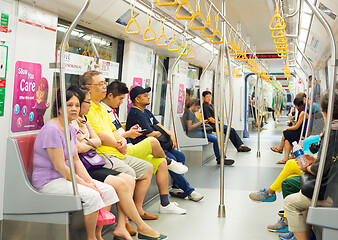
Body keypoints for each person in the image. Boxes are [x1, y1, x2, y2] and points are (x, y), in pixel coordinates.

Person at [82, 71, 187, 217]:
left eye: (104, 83)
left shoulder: (107, 110)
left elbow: (114, 131)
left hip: (122, 146)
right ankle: (128, 219)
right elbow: (101, 136)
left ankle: (162, 203)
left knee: (160, 162)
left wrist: (123, 139)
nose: (104, 87)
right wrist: (122, 141)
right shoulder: (91, 109)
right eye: (100, 84)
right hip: (111, 151)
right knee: (152, 141)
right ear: (89, 87)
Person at [69, 85, 167, 240]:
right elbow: (80, 147)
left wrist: (89, 143)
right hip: (89, 163)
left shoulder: (86, 118)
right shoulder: (70, 124)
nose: (85, 105)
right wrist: (92, 143)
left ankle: (122, 225)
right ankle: (138, 226)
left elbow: (96, 141)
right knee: (129, 174)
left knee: (130, 177)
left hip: (95, 159)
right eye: (84, 102)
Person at [32, 89, 118, 240]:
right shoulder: (52, 130)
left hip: (65, 177)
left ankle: (98, 235)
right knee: (92, 196)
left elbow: (75, 160)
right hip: (49, 180)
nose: (74, 108)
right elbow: (59, 166)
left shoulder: (71, 128)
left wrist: (89, 181)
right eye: (69, 105)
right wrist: (84, 184)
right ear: (59, 108)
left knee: (108, 191)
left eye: (77, 105)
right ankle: (90, 237)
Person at [126, 86, 204, 202]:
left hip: (158, 144)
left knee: (180, 156)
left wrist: (171, 135)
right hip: (145, 146)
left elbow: (159, 126)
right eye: (145, 96)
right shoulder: (136, 113)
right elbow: (151, 134)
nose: (148, 97)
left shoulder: (146, 111)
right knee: (171, 157)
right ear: (137, 99)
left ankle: (176, 188)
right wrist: (160, 133)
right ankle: (189, 191)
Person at [284, 90, 338, 240]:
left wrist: (307, 166)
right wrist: (314, 160)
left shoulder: (332, 133)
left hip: (332, 194)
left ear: (327, 112)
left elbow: (317, 170)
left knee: (290, 202)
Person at [181, 98, 234, 165]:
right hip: (193, 134)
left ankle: (223, 157)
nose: (197, 110)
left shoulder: (191, 113)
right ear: (193, 105)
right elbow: (190, 128)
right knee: (216, 139)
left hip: (198, 131)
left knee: (218, 138)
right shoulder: (188, 114)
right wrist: (201, 122)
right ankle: (220, 159)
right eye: (197, 108)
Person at [270, 96, 308, 164]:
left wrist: (287, 128)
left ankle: (280, 149)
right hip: (301, 131)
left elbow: (296, 127)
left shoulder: (302, 113)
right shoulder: (303, 111)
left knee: (286, 132)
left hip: (303, 133)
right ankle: (285, 158)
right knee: (287, 138)